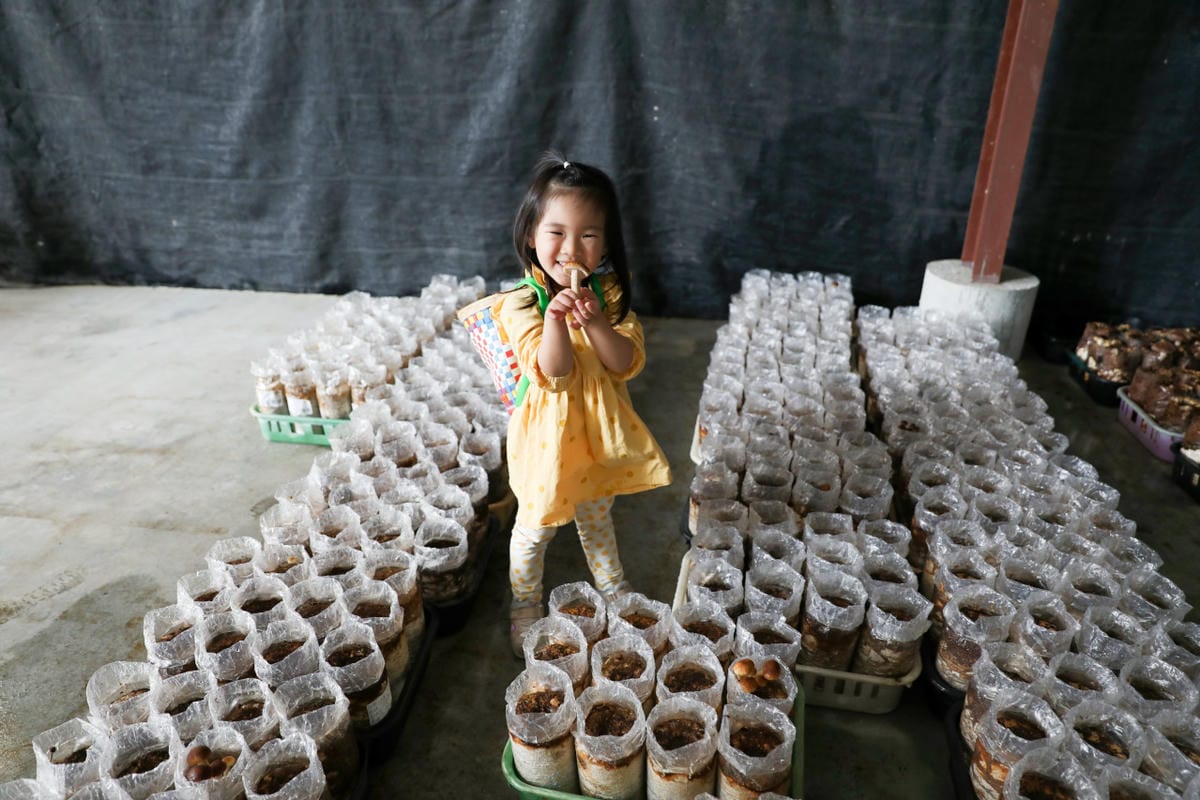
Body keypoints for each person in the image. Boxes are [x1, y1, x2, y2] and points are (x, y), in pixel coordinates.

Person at [493, 152, 672, 656]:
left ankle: (614, 589)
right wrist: (556, 322)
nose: (572, 248)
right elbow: (552, 371)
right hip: (546, 443)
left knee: (597, 518)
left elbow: (624, 363)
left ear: (607, 242)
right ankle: (525, 601)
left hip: (595, 436)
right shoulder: (519, 303)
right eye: (556, 232)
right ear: (530, 234)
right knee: (534, 530)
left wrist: (594, 322)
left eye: (589, 235)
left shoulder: (610, 295)